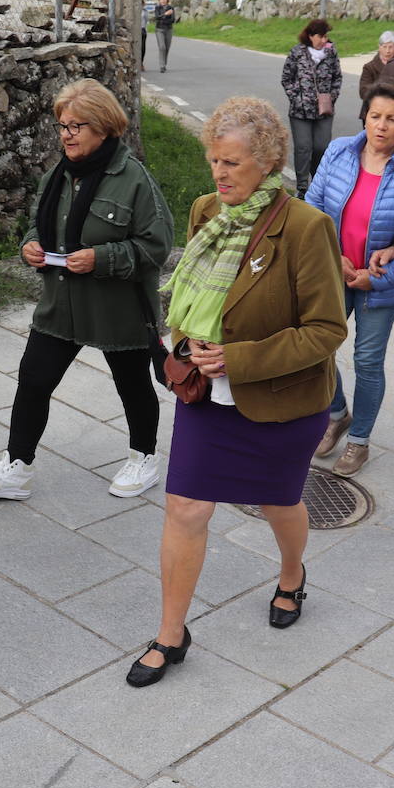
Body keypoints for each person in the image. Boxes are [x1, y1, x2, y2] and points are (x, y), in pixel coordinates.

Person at [128, 97, 347, 688]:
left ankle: (293, 573)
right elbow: (194, 299)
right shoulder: (206, 211)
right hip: (207, 399)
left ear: (269, 162)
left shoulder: (307, 228)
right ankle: (172, 634)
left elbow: (328, 330)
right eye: (213, 162)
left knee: (278, 503)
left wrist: (239, 359)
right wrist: (187, 344)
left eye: (232, 163)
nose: (219, 175)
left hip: (280, 401)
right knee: (185, 507)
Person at [0, 79, 174, 501]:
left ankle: (144, 458)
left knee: (132, 383)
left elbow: (157, 246)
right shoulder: (58, 175)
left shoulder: (134, 180)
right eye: (62, 125)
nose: (66, 134)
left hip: (118, 307)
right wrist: (30, 244)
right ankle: (17, 466)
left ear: (102, 128)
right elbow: (42, 224)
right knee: (33, 380)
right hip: (61, 303)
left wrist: (103, 258)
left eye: (76, 126)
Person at [306, 85, 394, 476]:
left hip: (380, 282)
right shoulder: (339, 151)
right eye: (376, 116)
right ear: (365, 116)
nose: (382, 125)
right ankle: (336, 414)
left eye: (392, 118)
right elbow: (312, 205)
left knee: (367, 360)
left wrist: (377, 278)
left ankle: (359, 441)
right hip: (335, 271)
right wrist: (336, 257)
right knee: (317, 350)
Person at [281, 19, 342, 196]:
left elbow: (337, 77)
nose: (324, 40)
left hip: (324, 111)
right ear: (310, 36)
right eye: (320, 36)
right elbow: (286, 78)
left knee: (321, 147)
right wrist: (296, 97)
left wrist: (331, 97)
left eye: (326, 36)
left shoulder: (331, 53)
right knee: (303, 147)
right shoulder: (297, 53)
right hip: (300, 112)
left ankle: (318, 183)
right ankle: (302, 187)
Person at [358, 30, 394, 121]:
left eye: (391, 47)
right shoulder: (369, 67)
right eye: (384, 47)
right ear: (379, 47)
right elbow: (363, 91)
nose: (387, 51)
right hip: (373, 112)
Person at [154, 0, 177, 73]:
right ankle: (162, 65)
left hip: (169, 30)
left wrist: (163, 18)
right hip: (159, 29)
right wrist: (166, 14)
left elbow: (172, 20)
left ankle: (164, 64)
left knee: (167, 48)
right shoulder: (157, 8)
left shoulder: (171, 8)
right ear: (159, 0)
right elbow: (157, 17)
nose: (162, 1)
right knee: (162, 47)